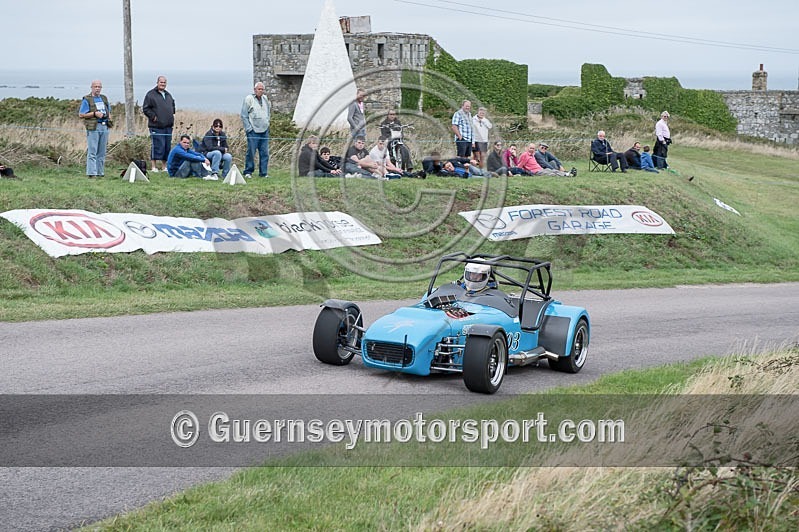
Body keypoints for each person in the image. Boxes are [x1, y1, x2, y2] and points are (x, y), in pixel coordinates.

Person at [142, 75, 175, 173]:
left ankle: (164, 167)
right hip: (156, 126)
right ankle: (153, 167)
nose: (163, 84)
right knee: (157, 146)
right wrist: (154, 117)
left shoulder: (168, 95)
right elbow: (146, 108)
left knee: (166, 147)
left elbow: (172, 106)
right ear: (157, 83)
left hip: (168, 126)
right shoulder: (151, 94)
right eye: (161, 82)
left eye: (164, 82)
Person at [78, 80, 111, 178]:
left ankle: (100, 173)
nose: (97, 88)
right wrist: (94, 114)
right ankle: (92, 173)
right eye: (95, 86)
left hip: (104, 126)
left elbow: (109, 111)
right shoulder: (87, 99)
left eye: (99, 87)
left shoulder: (104, 98)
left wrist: (109, 118)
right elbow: (81, 114)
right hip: (93, 127)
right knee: (92, 150)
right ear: (91, 87)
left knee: (102, 151)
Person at [241, 81, 271, 179]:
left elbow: (268, 112)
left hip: (264, 130)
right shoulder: (249, 99)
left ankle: (263, 173)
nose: (261, 91)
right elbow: (244, 115)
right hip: (253, 131)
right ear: (255, 90)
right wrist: (249, 129)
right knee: (251, 152)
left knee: (265, 153)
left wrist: (267, 123)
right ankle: (248, 171)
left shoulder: (265, 99)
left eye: (262, 89)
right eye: (259, 89)